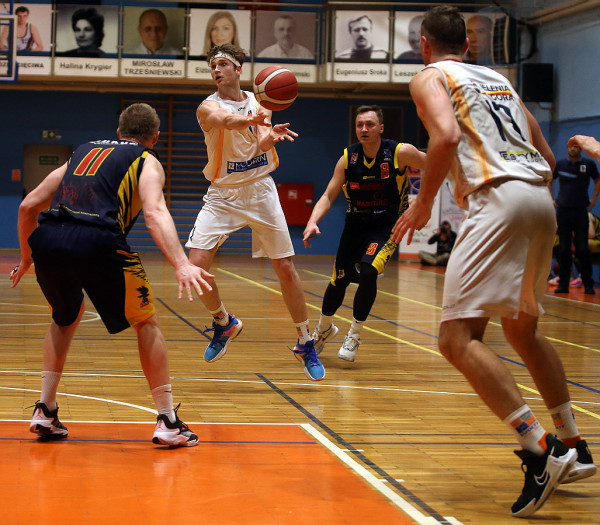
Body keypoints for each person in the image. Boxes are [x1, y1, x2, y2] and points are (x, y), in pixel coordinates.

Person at [391, 6, 595, 518]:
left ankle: (541, 448)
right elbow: (548, 158)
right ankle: (574, 443)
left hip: (497, 200)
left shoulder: (430, 77)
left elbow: (446, 137)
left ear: (425, 46)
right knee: (523, 331)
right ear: (467, 44)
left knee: (455, 339)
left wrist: (422, 203)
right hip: (539, 200)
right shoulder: (499, 80)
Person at [10, 103, 214, 447]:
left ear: (119, 131)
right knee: (146, 322)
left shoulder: (82, 151)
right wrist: (181, 263)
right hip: (98, 241)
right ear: (155, 137)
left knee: (64, 318)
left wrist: (27, 257)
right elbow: (154, 212)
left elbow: (28, 205)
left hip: (49, 240)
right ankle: (167, 420)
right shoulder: (146, 160)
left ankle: (45, 409)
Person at [186, 43, 325, 381]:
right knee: (196, 266)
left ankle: (305, 341)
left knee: (285, 268)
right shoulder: (207, 107)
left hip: (261, 189)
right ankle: (224, 322)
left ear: (238, 69)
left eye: (223, 64)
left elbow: (260, 141)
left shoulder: (260, 102)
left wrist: (270, 135)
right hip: (223, 194)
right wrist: (248, 120)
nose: (216, 70)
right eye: (212, 66)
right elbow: (225, 120)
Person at [303, 105, 425, 362]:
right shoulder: (348, 158)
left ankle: (355, 334)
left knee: (369, 271)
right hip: (355, 225)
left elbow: (435, 166)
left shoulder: (400, 153)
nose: (364, 129)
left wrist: (424, 203)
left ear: (381, 128)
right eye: (360, 125)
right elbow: (328, 195)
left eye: (369, 124)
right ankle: (324, 328)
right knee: (339, 280)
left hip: (386, 226)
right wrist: (312, 221)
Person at [551, 139, 600, 294]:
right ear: (567, 148)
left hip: (580, 211)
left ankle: (588, 285)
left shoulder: (588, 165)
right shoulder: (560, 165)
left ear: (580, 149)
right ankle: (563, 284)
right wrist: (551, 199)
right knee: (564, 248)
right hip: (563, 211)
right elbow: (549, 181)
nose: (573, 149)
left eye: (576, 147)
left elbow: (597, 180)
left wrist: (593, 200)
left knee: (582, 249)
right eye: (571, 147)